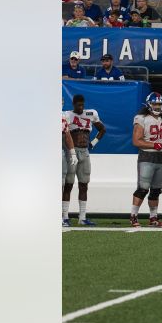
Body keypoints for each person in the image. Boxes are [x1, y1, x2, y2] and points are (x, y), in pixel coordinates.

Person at [131, 92, 162, 228]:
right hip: (147, 156)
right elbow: (136, 141)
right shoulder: (141, 118)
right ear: (149, 104)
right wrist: (153, 144)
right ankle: (133, 216)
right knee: (143, 188)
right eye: (155, 103)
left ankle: (153, 218)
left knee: (156, 190)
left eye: (160, 104)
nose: (157, 106)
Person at [62, 94, 105, 227]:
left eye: (82, 105)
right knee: (68, 185)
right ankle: (64, 216)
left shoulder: (91, 113)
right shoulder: (67, 115)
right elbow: (65, 134)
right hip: (71, 152)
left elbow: (102, 129)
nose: (81, 107)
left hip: (85, 151)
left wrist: (94, 142)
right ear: (73, 104)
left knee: (84, 184)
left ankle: (82, 217)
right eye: (78, 105)